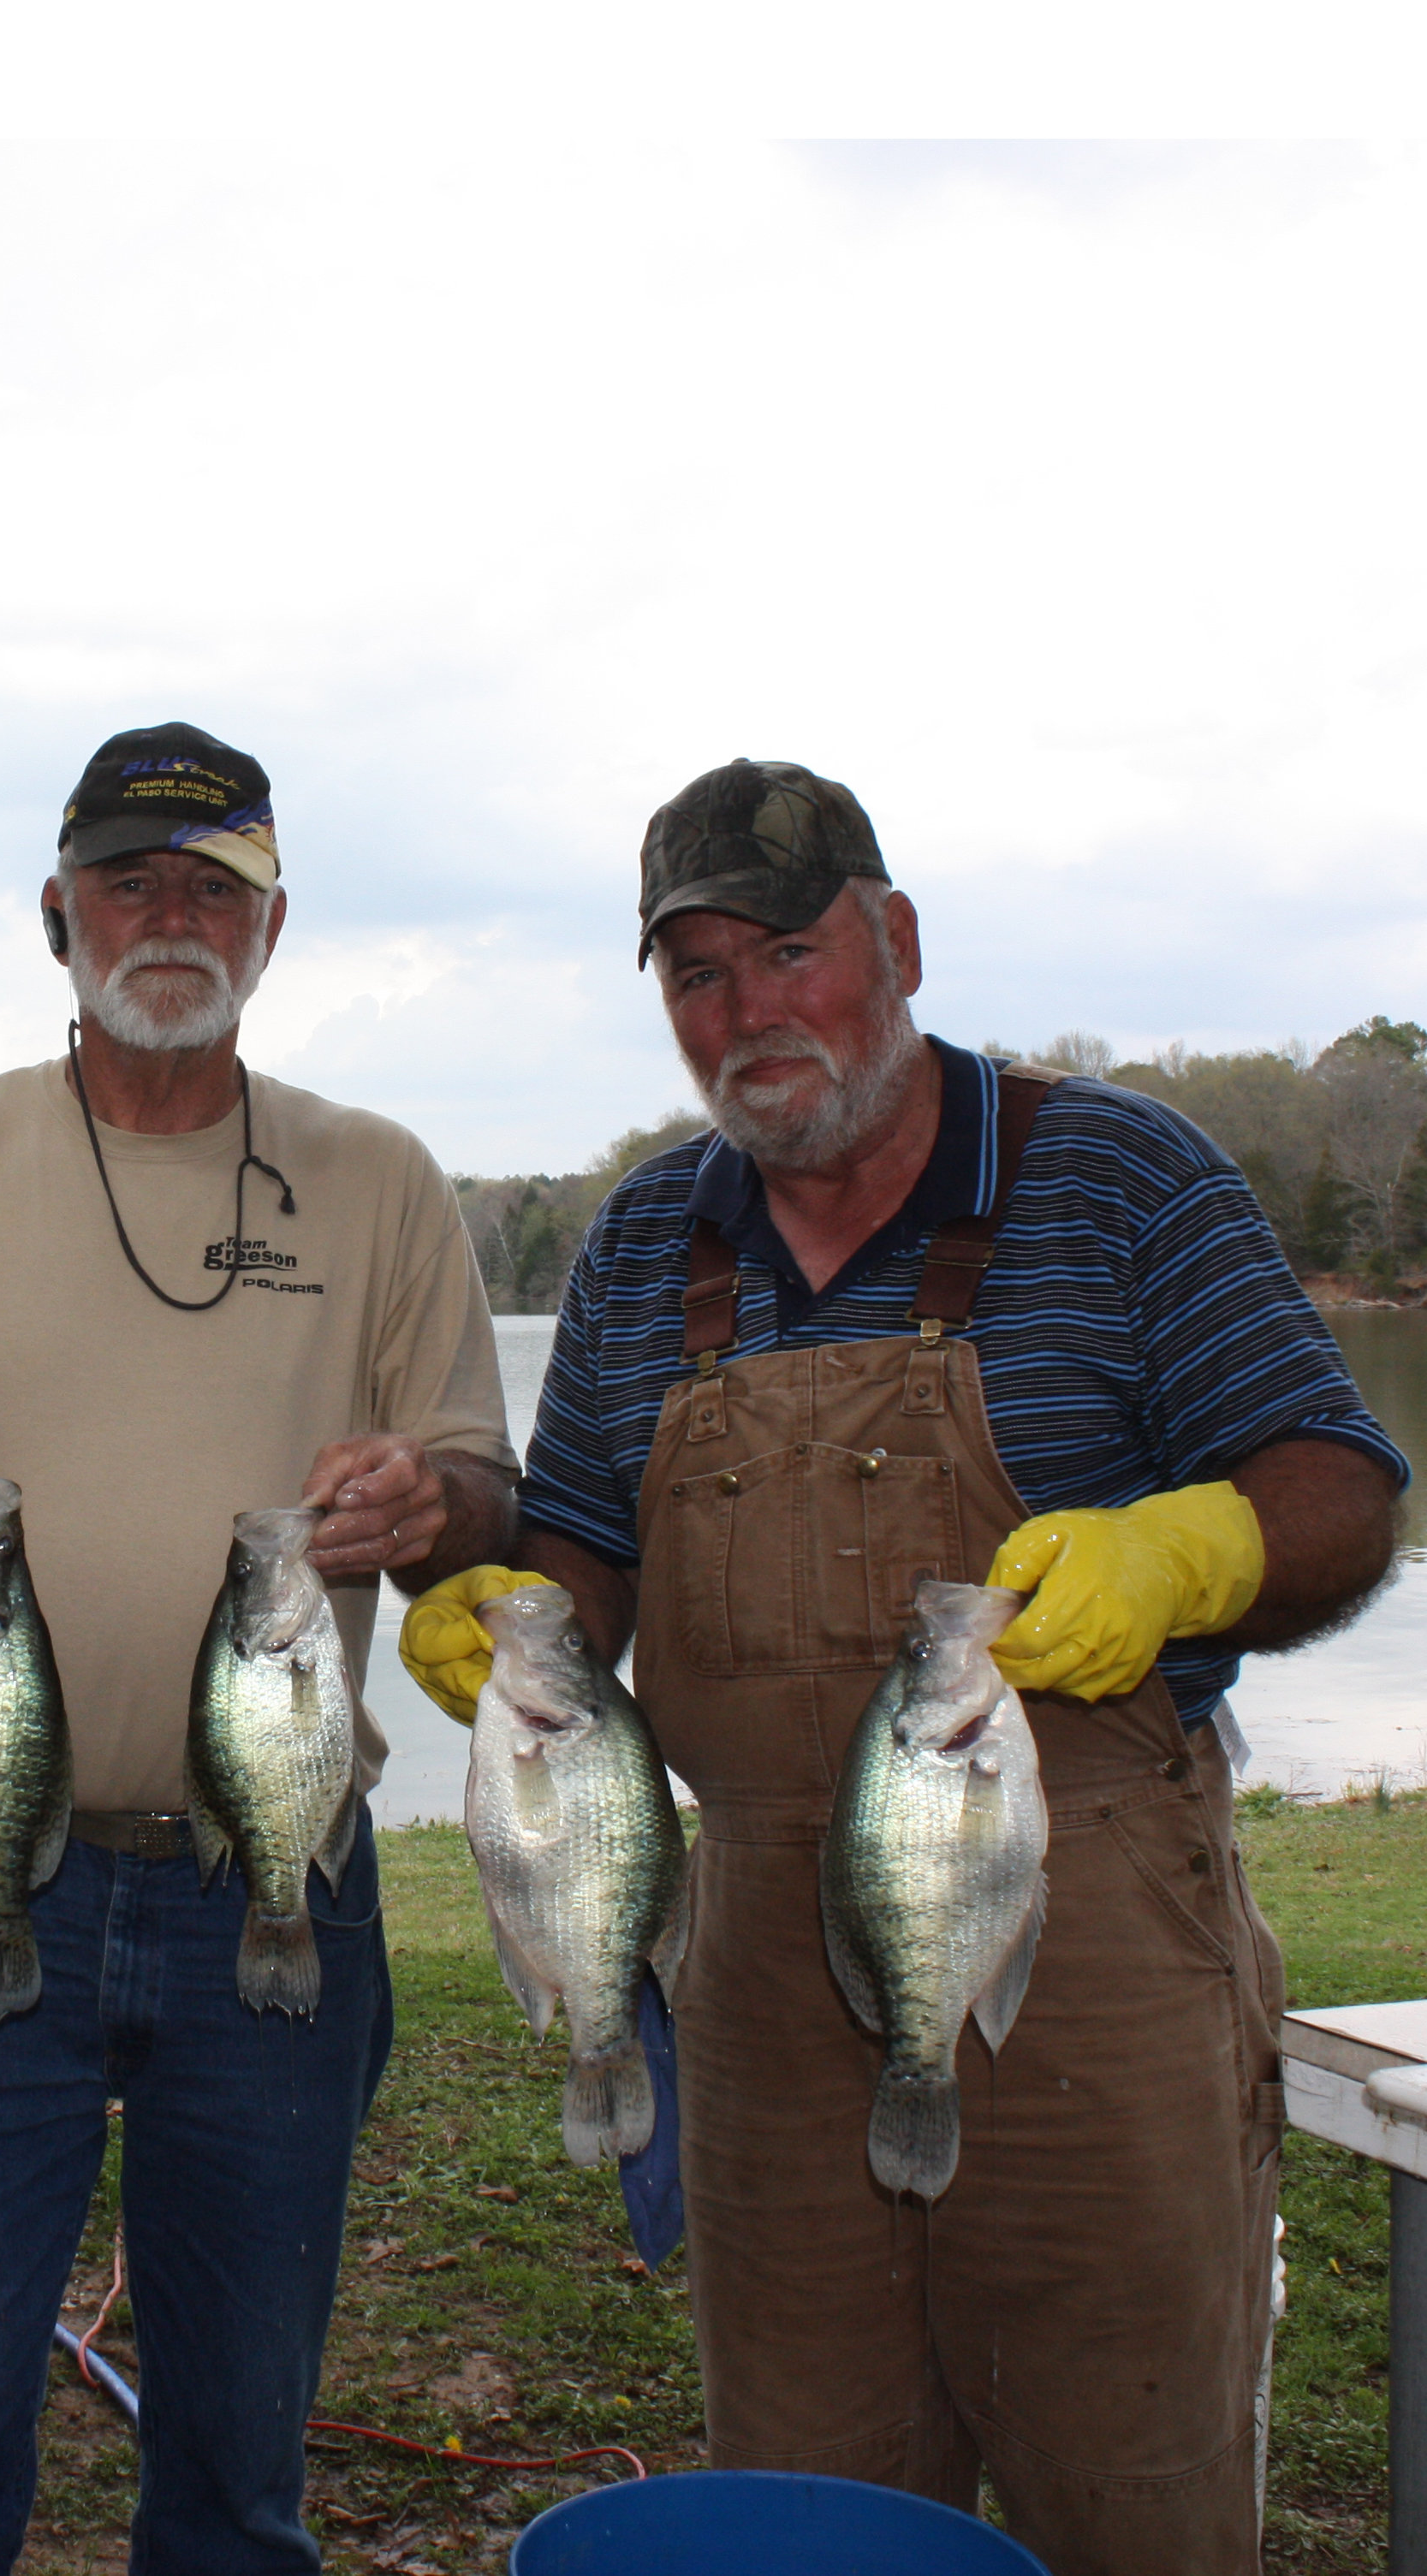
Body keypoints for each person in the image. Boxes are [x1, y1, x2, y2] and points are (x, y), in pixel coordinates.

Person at [400, 757, 1406, 2576]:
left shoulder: (1116, 1176)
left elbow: (1339, 1488)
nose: (742, 1012)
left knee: (1139, 2494)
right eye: (693, 974)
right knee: (813, 2510)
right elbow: (584, 1547)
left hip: (1089, 1943)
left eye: (786, 949)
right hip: (759, 1981)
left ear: (896, 940)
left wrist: (1190, 1551)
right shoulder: (646, 1242)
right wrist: (515, 1617)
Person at [0, 720, 519, 2576]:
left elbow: (486, 1489)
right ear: (55, 911)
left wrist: (433, 1503)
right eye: (127, 879)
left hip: (276, 1875)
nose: (167, 916)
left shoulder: (382, 1178)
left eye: (211, 886)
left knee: (241, 2456)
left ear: (272, 925)